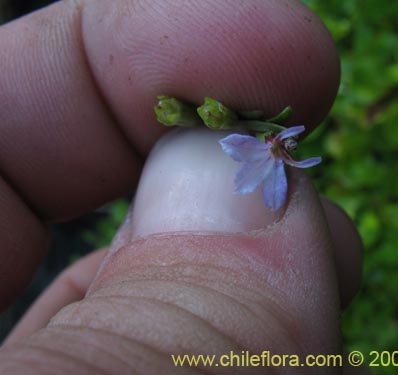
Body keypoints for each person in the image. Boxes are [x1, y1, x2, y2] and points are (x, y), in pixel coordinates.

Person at [0, 0, 362, 373]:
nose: (281, 147)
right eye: (278, 145)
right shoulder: (245, 146)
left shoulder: (262, 148)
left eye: (281, 146)